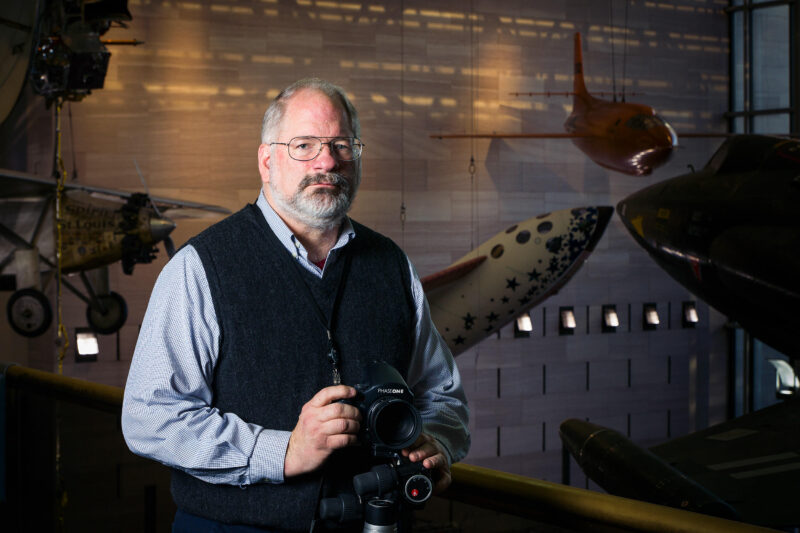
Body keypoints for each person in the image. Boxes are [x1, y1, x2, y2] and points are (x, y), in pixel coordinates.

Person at [121, 78, 470, 532]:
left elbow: (442, 395)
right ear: (267, 161)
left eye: (341, 145)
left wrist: (435, 441)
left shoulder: (391, 265)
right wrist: (282, 451)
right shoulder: (200, 267)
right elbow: (150, 416)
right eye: (304, 145)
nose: (327, 162)